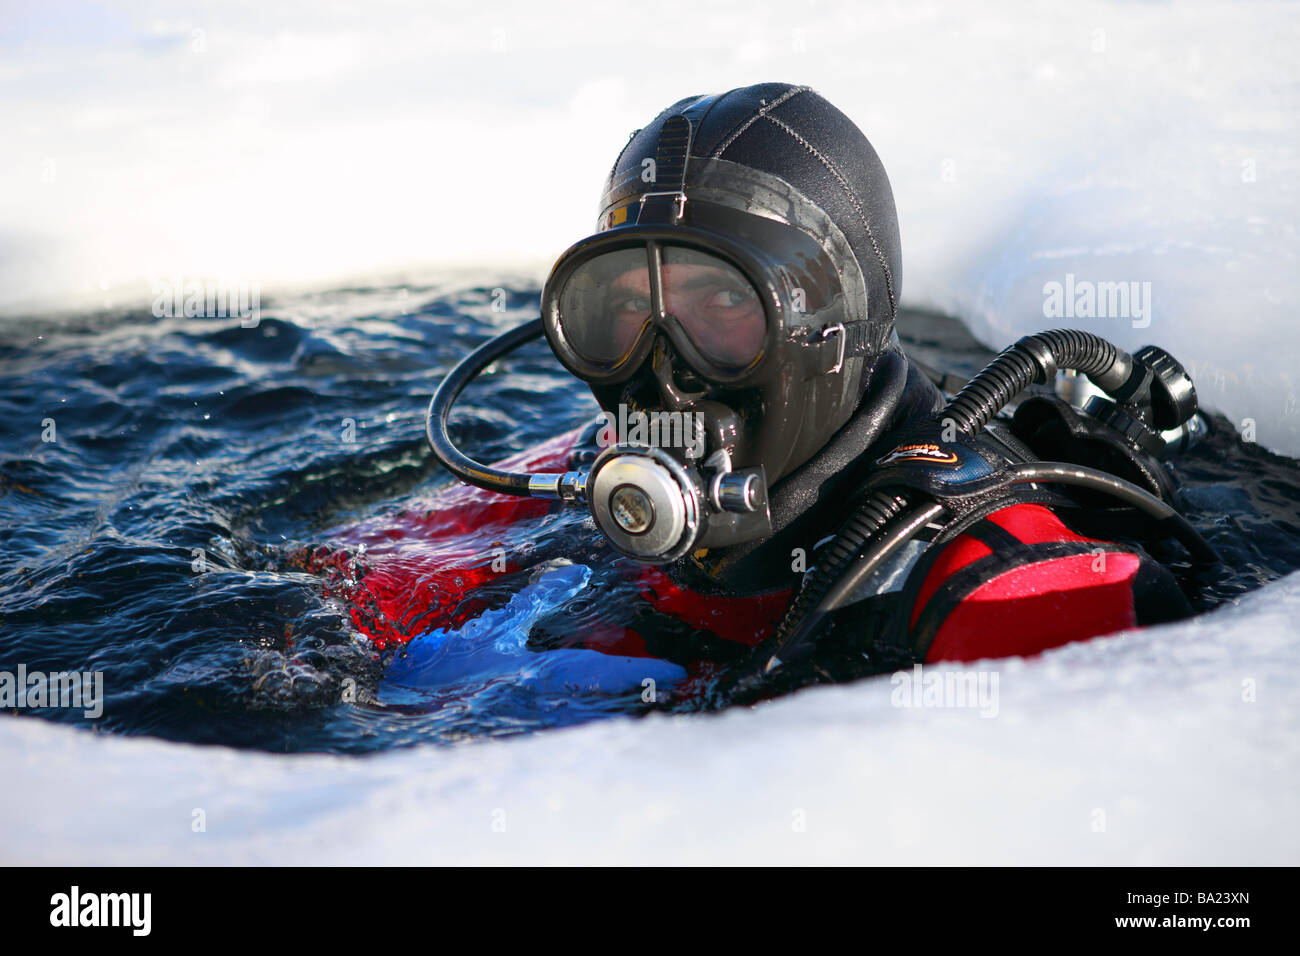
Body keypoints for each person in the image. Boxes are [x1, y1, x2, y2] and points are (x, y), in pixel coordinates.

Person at [304, 83, 1210, 697]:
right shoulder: (599, 468)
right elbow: (329, 594)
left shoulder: (996, 598)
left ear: (836, 325)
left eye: (724, 306)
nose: (661, 366)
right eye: (618, 311)